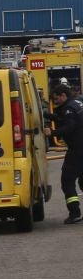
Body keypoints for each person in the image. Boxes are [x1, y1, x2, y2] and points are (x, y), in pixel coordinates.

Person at [49, 80, 83, 224]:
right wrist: (48, 116)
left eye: (56, 99)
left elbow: (69, 126)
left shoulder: (69, 108)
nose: (55, 102)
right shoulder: (76, 103)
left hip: (77, 150)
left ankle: (74, 213)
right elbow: (64, 118)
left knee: (67, 181)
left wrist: (51, 132)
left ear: (63, 95)